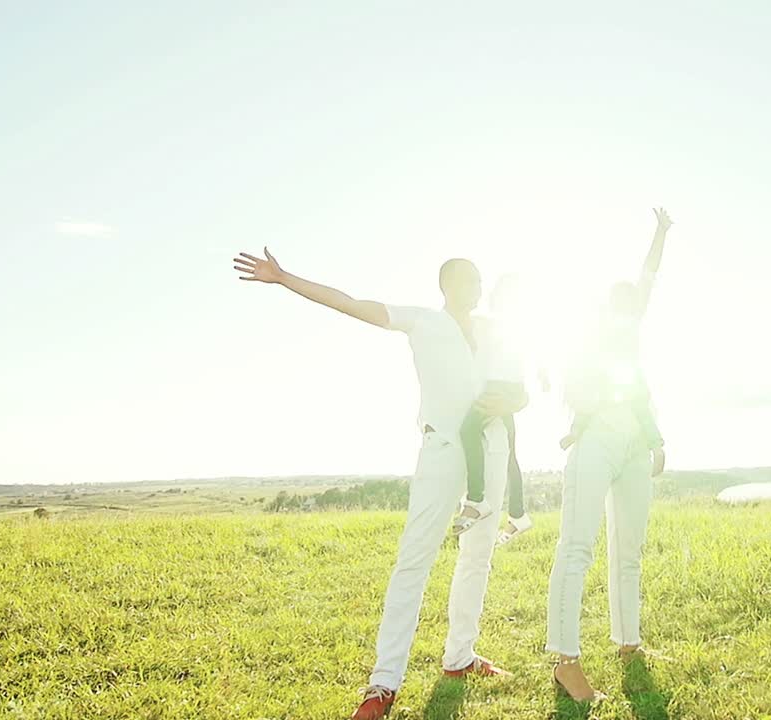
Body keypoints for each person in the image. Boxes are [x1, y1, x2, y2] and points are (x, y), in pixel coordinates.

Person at [232, 250, 526, 720]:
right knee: (414, 561)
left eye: (479, 279)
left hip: (489, 453)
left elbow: (515, 386)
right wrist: (285, 278)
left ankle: (460, 658)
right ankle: (383, 684)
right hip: (442, 451)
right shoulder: (423, 321)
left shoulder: (495, 330)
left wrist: (515, 397)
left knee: (478, 558)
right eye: (469, 279)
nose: (477, 286)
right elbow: (350, 303)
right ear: (447, 284)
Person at [546, 207, 673, 702]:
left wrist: (660, 233)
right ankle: (566, 662)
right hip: (596, 439)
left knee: (629, 551)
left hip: (634, 443)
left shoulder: (630, 333)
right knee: (576, 548)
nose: (628, 310)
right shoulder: (584, 335)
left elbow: (649, 277)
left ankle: (629, 643)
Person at [452, 277, 533, 541]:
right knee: (511, 455)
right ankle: (518, 515)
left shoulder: (491, 324)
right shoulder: (516, 326)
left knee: (468, 429)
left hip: (499, 388)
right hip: (510, 387)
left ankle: (476, 499)